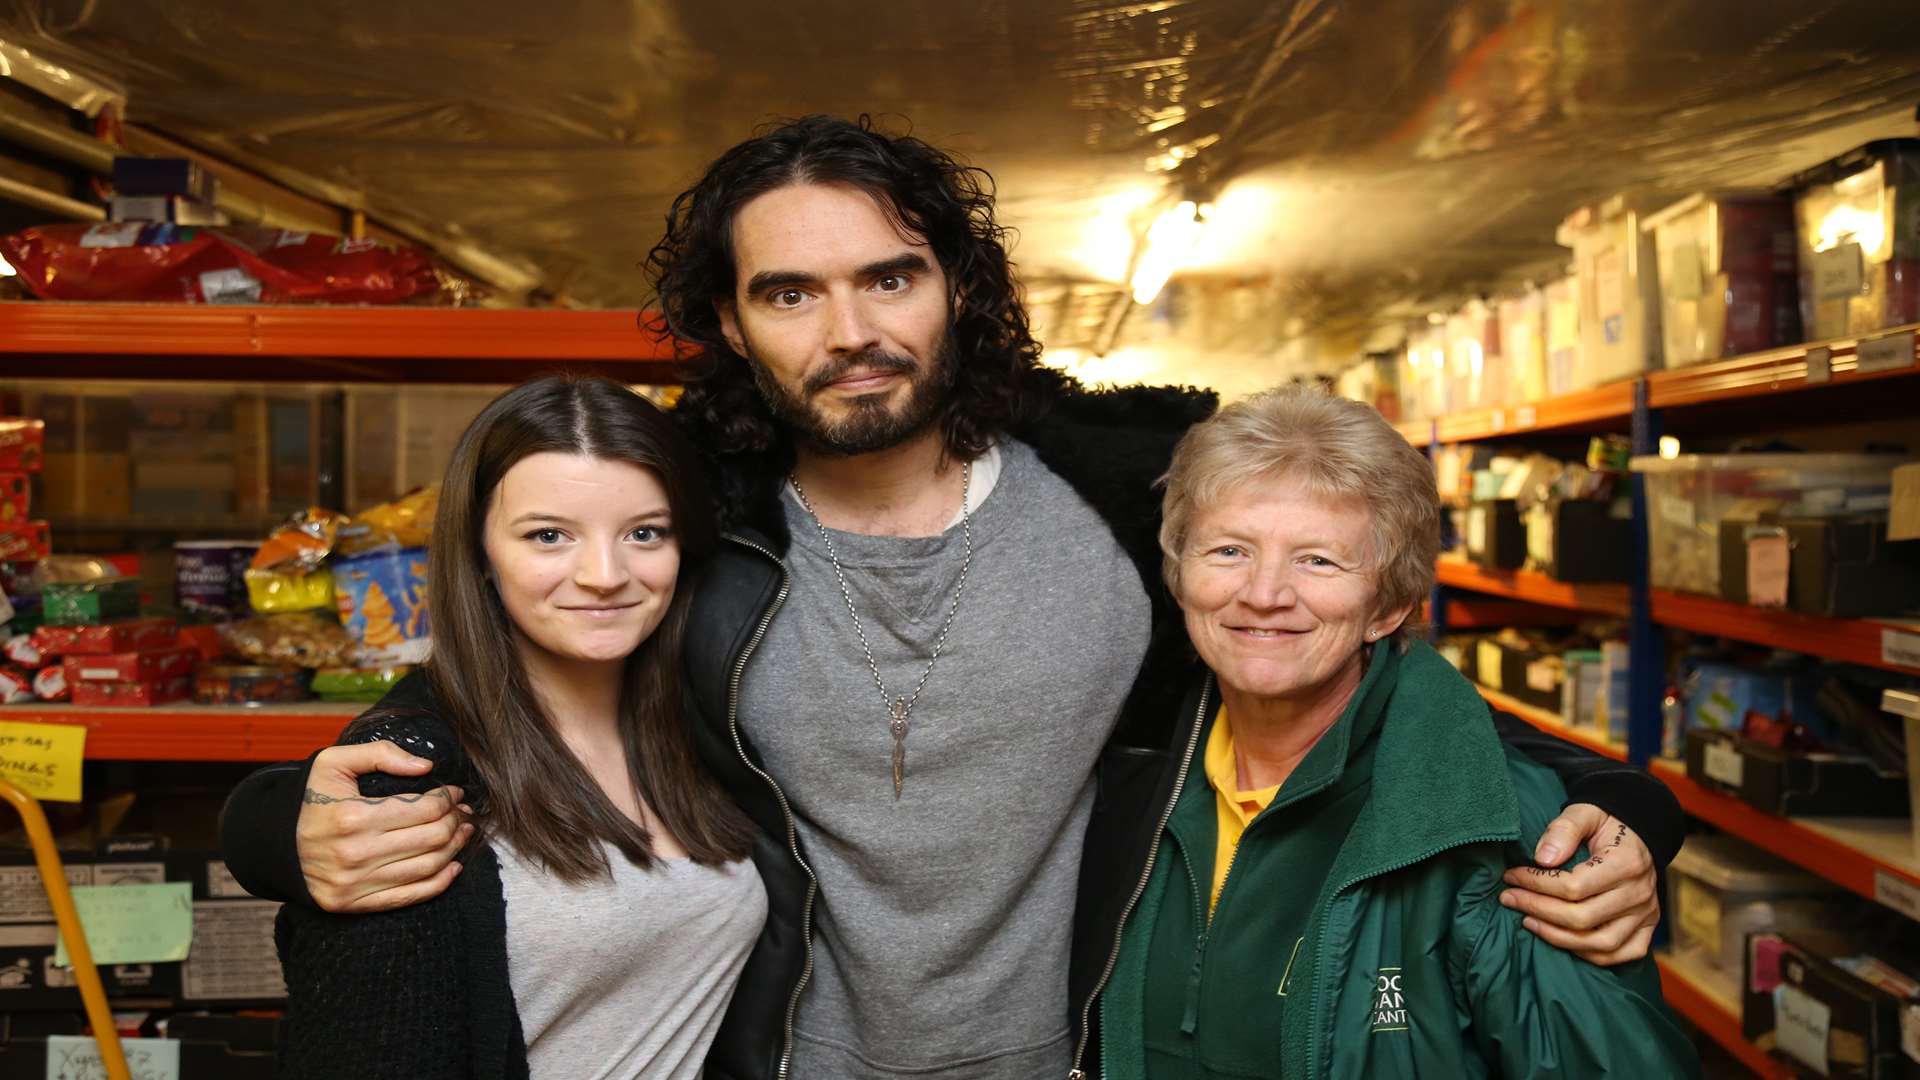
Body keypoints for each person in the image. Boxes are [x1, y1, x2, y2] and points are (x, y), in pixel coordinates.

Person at [221, 116, 1682, 1080]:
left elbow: (1364, 688)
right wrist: (276, 826)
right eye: (790, 293)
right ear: (730, 322)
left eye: (890, 278)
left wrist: (1638, 820)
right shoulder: (699, 530)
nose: (849, 332)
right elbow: (481, 691)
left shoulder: (1129, 494)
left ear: (959, 289)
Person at [1096, 385, 1696, 1078]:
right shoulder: (1127, 782)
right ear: (1179, 577)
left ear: (1389, 607)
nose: (1264, 592)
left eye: (1317, 559)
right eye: (1229, 550)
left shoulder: (1501, 835)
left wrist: (1639, 801)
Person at [272, 376, 767, 1080]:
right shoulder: (407, 772)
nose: (604, 574)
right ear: (479, 552)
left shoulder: (705, 726)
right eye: (548, 535)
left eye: (644, 533)